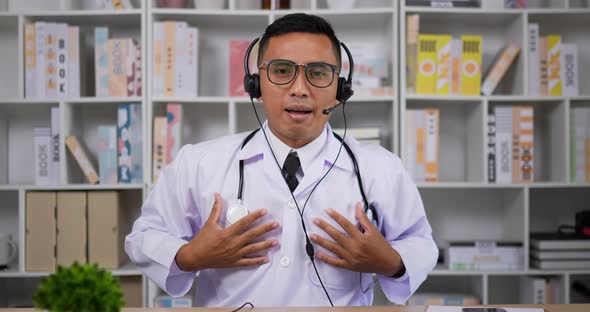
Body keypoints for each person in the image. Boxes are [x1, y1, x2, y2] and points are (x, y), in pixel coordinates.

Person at [125, 13, 437, 307]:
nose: (299, 89)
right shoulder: (199, 163)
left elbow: (420, 243)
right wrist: (190, 256)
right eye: (282, 71)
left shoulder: (380, 168)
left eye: (317, 73)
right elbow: (143, 238)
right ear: (257, 85)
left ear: (340, 90)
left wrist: (392, 262)